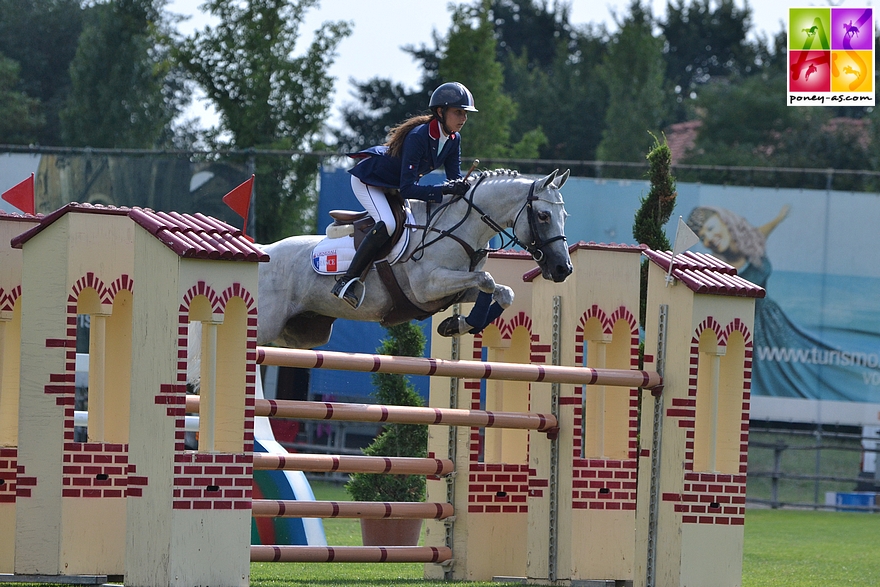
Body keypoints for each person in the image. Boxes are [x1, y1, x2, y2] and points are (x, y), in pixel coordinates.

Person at [686, 205, 862, 401]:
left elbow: (768, 228)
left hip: (774, 322)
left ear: (724, 221)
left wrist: (781, 216)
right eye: (702, 237)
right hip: (741, 327)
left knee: (799, 365)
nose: (709, 238)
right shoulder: (714, 267)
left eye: (710, 228)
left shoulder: (751, 241)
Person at [331, 81, 476, 308]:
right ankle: (347, 280)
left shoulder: (453, 139)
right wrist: (443, 190)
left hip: (393, 185)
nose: (463, 118)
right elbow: (409, 188)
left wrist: (462, 188)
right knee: (388, 223)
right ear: (440, 111)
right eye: (458, 112)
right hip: (369, 180)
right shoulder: (419, 136)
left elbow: (453, 178)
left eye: (465, 113)